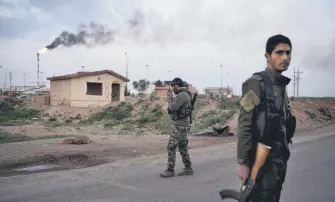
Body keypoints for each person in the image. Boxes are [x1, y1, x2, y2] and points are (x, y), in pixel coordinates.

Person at [236, 34, 295, 201]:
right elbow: (244, 122)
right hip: (260, 161)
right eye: (279, 52)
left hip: (278, 160)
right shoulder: (256, 83)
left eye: (288, 53)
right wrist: (243, 162)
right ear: (267, 56)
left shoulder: (280, 84)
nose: (285, 57)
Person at [160, 77, 194, 178]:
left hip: (180, 125)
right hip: (184, 124)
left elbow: (173, 108)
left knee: (171, 146)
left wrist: (170, 98)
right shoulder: (186, 93)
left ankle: (170, 170)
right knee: (183, 147)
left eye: (172, 86)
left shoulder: (181, 95)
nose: (172, 88)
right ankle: (188, 168)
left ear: (177, 85)